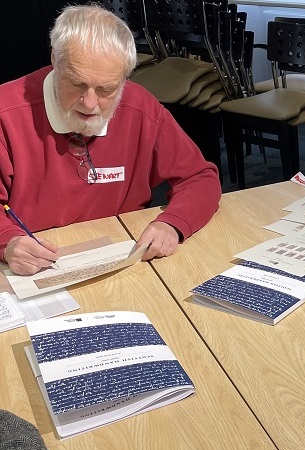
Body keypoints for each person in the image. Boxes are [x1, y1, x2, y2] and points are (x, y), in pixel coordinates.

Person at [0, 5, 222, 275]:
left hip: (124, 259)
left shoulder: (140, 107)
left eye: (107, 89)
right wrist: (8, 242)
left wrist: (173, 224)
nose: (90, 103)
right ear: (54, 61)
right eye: (77, 84)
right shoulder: (6, 113)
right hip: (36, 266)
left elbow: (199, 178)